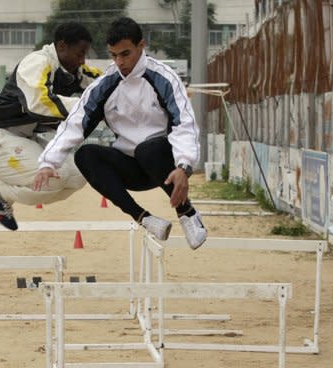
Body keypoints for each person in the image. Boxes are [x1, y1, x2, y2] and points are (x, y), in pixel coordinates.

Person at [33, 17, 207, 249]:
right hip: (131, 168)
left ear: (141, 46)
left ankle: (188, 213)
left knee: (148, 149)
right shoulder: (105, 84)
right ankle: (144, 218)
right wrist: (48, 162)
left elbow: (184, 123)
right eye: (113, 55)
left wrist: (184, 166)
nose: (119, 62)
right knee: (85, 155)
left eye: (125, 54)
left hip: (165, 166)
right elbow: (75, 123)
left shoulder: (164, 78)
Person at [0, 22, 101, 230]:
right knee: (56, 177)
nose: (82, 60)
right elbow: (39, 104)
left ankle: (8, 192)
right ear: (62, 46)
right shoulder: (37, 62)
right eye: (79, 54)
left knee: (79, 175)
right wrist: (87, 107)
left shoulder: (74, 70)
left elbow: (103, 84)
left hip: (26, 139)